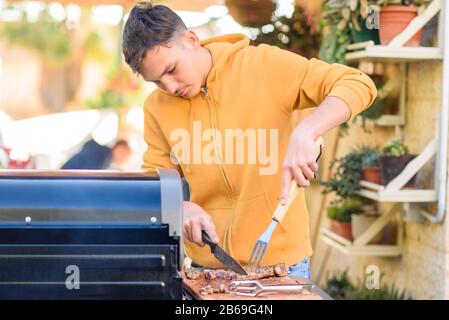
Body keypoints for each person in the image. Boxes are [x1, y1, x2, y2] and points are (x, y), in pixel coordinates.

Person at [122, 3, 377, 279]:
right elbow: (155, 182)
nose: (169, 87)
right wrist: (179, 207)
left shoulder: (264, 65)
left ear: (191, 40)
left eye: (171, 69)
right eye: (157, 81)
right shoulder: (157, 107)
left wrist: (307, 131)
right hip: (206, 272)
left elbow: (356, 82)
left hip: (283, 269)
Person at [61, 138, 131, 170]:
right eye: (124, 154)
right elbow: (88, 178)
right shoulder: (101, 156)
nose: (123, 159)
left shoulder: (104, 156)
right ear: (118, 148)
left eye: (126, 158)